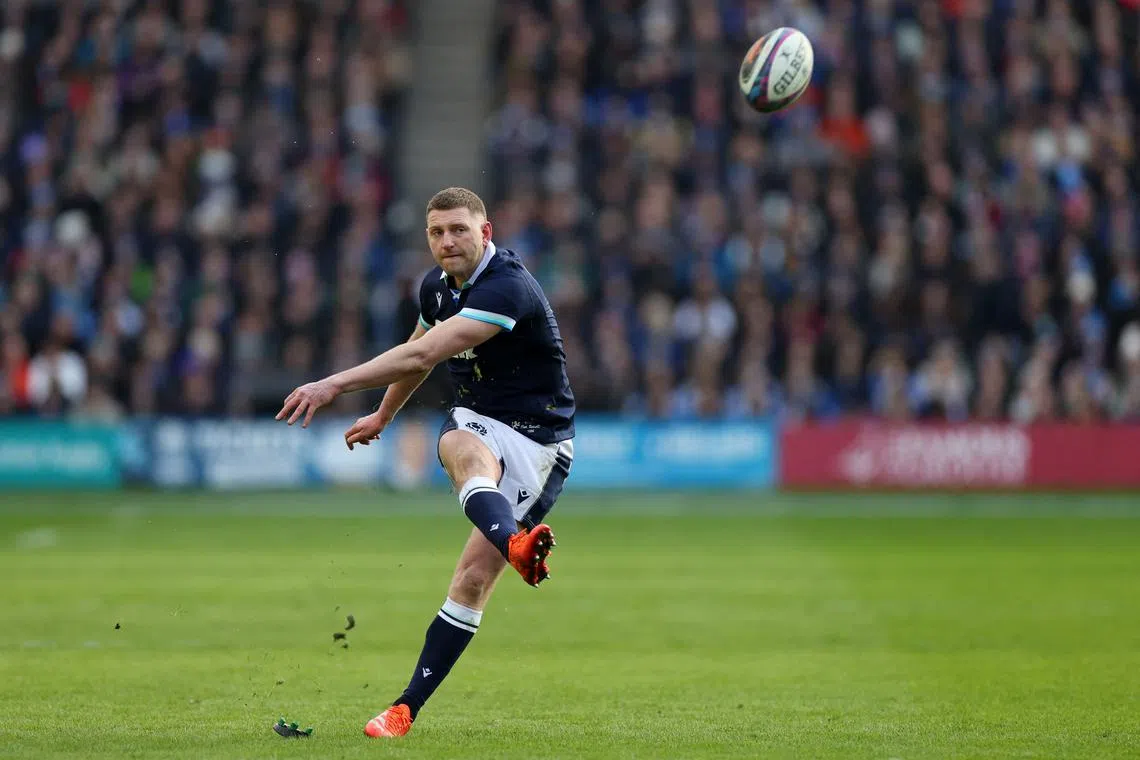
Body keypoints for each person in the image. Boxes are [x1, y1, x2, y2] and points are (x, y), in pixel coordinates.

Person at [275, 187, 576, 738]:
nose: (447, 242)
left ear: (486, 232)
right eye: (436, 232)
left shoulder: (506, 286)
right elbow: (417, 352)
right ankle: (403, 711)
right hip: (479, 422)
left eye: (459, 229)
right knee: (457, 443)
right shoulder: (436, 288)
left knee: (471, 583)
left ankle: (508, 545)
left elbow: (421, 354)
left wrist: (331, 385)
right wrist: (385, 416)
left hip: (541, 441)